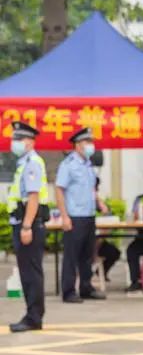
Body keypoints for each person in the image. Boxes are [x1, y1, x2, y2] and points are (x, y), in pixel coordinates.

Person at [56, 127, 107, 303]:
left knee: (87, 254)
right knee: (72, 255)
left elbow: (90, 188)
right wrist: (64, 216)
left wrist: (99, 201)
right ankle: (69, 291)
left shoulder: (88, 165)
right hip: (74, 216)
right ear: (77, 145)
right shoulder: (68, 165)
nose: (90, 146)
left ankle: (86, 287)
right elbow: (59, 190)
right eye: (87, 142)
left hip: (89, 215)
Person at [7, 122, 49, 333]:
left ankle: (34, 317)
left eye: (18, 139)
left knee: (31, 273)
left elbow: (33, 197)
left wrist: (26, 226)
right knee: (28, 272)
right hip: (24, 222)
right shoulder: (24, 163)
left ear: (30, 142)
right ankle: (32, 314)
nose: (13, 143)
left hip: (28, 223)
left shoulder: (32, 162)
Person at [93, 177, 120, 282]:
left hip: (97, 239)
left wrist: (99, 201)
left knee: (114, 252)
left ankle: (101, 273)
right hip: (83, 240)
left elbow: (108, 214)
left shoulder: (96, 201)